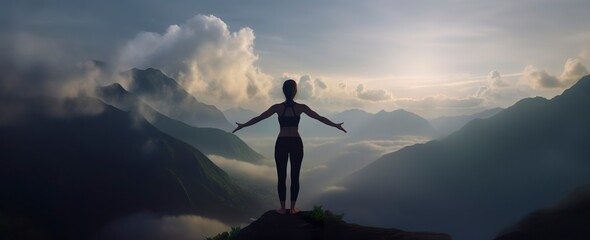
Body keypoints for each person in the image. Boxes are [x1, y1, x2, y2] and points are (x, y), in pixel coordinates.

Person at [233, 79, 346, 214]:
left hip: (281, 143)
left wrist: (243, 125)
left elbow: (259, 118)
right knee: (295, 176)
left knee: (281, 176)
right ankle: (292, 208)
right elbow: (319, 117)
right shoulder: (301, 108)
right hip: (296, 143)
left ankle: (282, 208)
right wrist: (335, 125)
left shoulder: (277, 108)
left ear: (283, 91)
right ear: (295, 91)